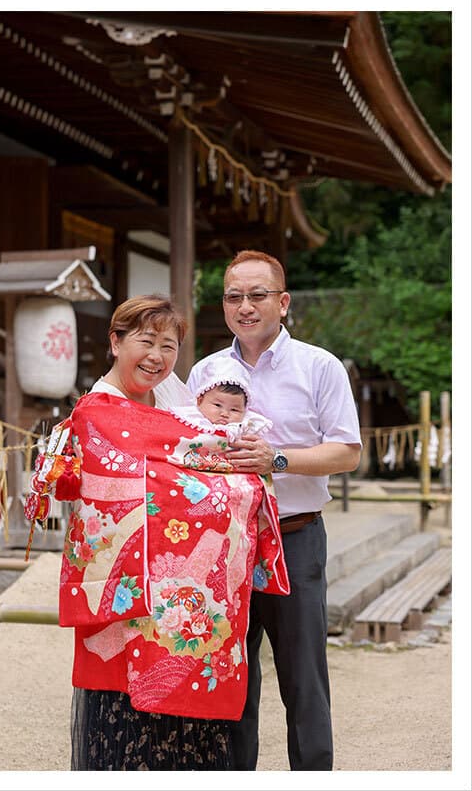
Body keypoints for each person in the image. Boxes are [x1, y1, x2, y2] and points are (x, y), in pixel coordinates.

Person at [23, 294, 290, 771]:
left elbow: (210, 459)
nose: (157, 357)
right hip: (129, 598)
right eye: (145, 342)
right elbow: (139, 486)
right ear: (115, 342)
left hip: (185, 599)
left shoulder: (177, 400)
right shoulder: (98, 412)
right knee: (126, 726)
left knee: (187, 725)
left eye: (169, 347)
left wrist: (234, 481)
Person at [187, 250, 362, 771]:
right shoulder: (205, 371)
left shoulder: (319, 366)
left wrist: (276, 459)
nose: (245, 306)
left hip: (294, 536)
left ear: (282, 302)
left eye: (257, 295)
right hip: (224, 543)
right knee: (227, 676)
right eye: (233, 296)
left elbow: (347, 452)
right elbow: (185, 449)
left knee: (304, 679)